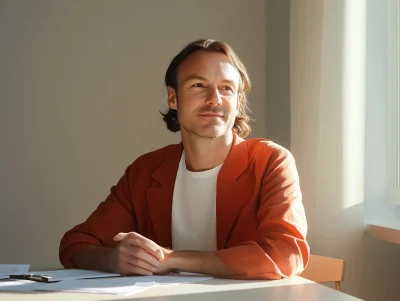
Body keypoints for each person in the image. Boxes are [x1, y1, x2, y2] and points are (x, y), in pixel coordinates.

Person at [59, 39, 309, 280]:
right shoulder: (145, 171)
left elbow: (287, 254)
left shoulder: (270, 162)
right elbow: (75, 243)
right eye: (198, 85)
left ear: (237, 101)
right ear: (173, 98)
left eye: (226, 88)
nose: (215, 99)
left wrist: (172, 259)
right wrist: (111, 259)